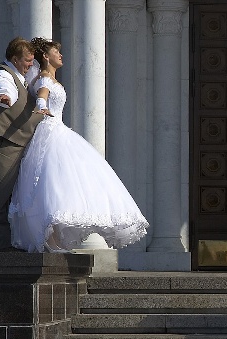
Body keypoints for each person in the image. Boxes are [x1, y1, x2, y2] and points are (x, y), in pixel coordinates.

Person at [8, 37, 148, 252]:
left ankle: (54, 239)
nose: (61, 56)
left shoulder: (50, 78)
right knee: (51, 183)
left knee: (60, 184)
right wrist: (42, 105)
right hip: (49, 132)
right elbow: (42, 95)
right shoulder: (44, 79)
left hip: (58, 130)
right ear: (46, 56)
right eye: (57, 52)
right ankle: (50, 239)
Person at [0, 37, 44, 252]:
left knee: (8, 195)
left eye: (32, 60)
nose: (30, 64)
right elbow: (4, 89)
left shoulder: (22, 76)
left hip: (10, 142)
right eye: (27, 60)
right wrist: (4, 96)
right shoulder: (3, 74)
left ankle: (7, 243)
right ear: (14, 58)